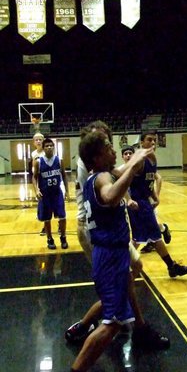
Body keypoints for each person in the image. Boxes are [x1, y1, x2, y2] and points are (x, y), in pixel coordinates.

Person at [66, 121, 169, 350]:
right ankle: (109, 325)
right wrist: (133, 167)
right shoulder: (91, 168)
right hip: (95, 230)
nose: (109, 146)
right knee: (118, 289)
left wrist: (135, 161)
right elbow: (108, 192)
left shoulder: (103, 168)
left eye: (107, 139)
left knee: (133, 269)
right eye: (103, 143)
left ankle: (126, 324)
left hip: (108, 229)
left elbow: (114, 178)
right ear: (93, 150)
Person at [126, 131, 187, 278]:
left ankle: (171, 266)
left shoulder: (152, 159)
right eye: (149, 140)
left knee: (150, 237)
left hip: (145, 202)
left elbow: (149, 182)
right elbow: (124, 181)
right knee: (142, 237)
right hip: (137, 203)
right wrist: (128, 199)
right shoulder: (139, 160)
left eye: (155, 140)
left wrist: (155, 196)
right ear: (142, 143)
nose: (153, 143)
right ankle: (122, 264)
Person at [121, 145, 171, 254]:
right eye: (126, 154)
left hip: (146, 199)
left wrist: (156, 196)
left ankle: (161, 233)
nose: (128, 155)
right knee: (146, 229)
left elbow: (155, 178)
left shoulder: (143, 166)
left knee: (151, 227)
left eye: (130, 153)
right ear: (122, 157)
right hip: (134, 202)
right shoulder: (123, 169)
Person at [32, 138, 69, 250]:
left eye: (51, 145)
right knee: (46, 219)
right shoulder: (38, 161)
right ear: (43, 148)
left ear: (54, 147)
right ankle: (49, 239)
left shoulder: (59, 160)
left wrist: (67, 191)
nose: (49, 147)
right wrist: (36, 190)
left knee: (62, 216)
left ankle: (63, 237)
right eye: (47, 146)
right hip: (45, 194)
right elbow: (34, 178)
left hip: (57, 193)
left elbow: (64, 175)